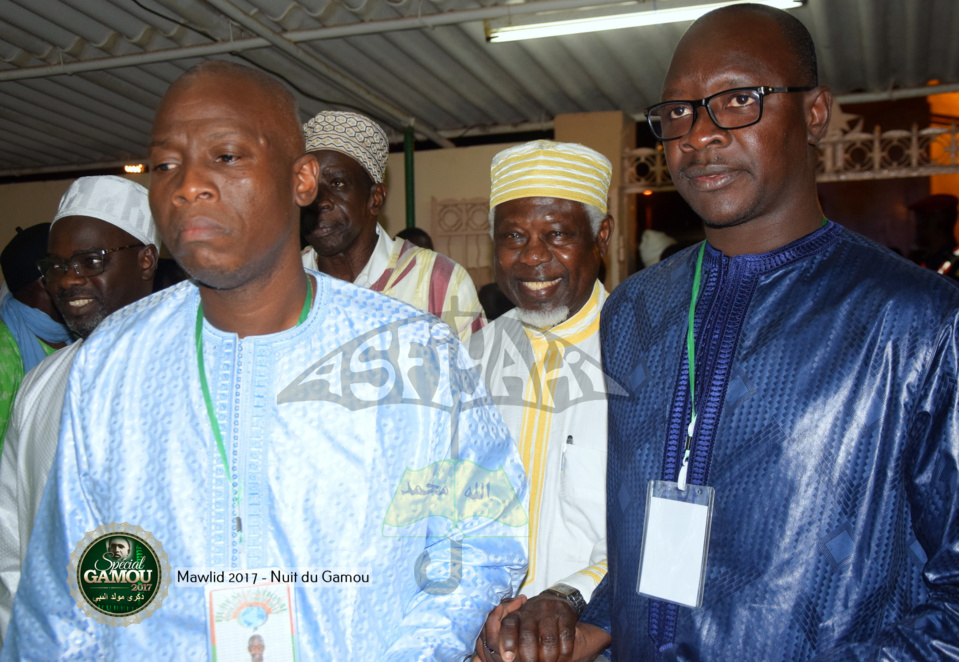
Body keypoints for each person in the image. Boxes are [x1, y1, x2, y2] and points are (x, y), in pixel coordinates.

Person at [2, 60, 528, 660]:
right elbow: (62, 597)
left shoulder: (414, 353)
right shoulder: (111, 365)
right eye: (166, 164)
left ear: (302, 180)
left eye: (225, 156)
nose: (188, 185)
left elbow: (480, 539)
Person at [499, 5, 959, 661]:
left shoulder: (917, 322)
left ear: (815, 113)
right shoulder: (634, 310)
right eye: (678, 113)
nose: (699, 135)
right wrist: (597, 621)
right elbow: (648, 540)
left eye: (738, 100)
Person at [469, 140, 613, 662]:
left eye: (556, 234)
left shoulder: (645, 351)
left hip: (595, 638)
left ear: (602, 237)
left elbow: (663, 527)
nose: (532, 256)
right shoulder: (477, 353)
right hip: (483, 639)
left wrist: (569, 596)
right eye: (513, 236)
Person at [0, 175, 159, 644]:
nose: (68, 279)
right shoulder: (39, 387)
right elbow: (10, 530)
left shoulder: (198, 366)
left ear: (147, 260)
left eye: (92, 260)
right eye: (55, 265)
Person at [300, 111, 486, 340]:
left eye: (337, 183)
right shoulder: (280, 285)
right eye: (306, 186)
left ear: (375, 198)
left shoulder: (438, 282)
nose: (320, 201)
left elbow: (477, 373)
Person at [0, 224, 73, 447]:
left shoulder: (80, 331)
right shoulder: (5, 349)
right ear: (44, 281)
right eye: (67, 268)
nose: (78, 279)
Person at [908, 193, 959, 279]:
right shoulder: (927, 260)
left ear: (932, 223)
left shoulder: (954, 263)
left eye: (920, 225)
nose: (917, 231)